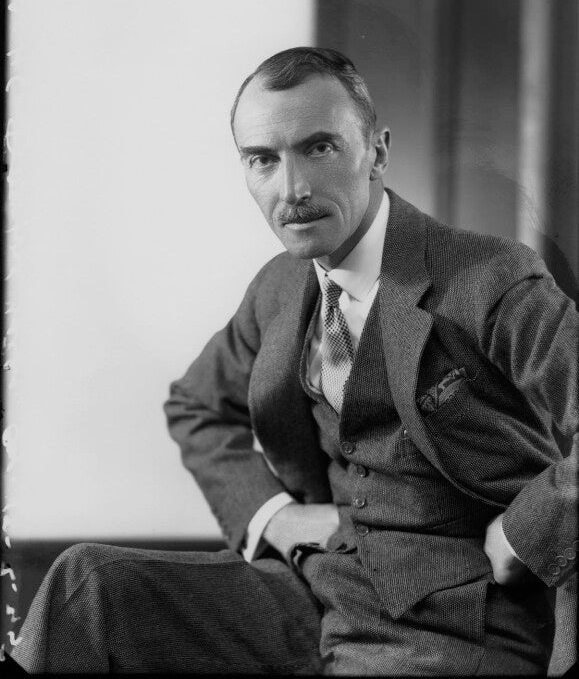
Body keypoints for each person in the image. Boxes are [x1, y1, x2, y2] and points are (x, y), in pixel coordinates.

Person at [11, 47, 577, 674]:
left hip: (455, 623)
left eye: (320, 148)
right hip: (316, 593)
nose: (292, 189)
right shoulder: (279, 287)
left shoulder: (490, 277)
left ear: (377, 153)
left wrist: (526, 534)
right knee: (89, 586)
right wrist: (273, 516)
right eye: (263, 159)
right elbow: (196, 404)